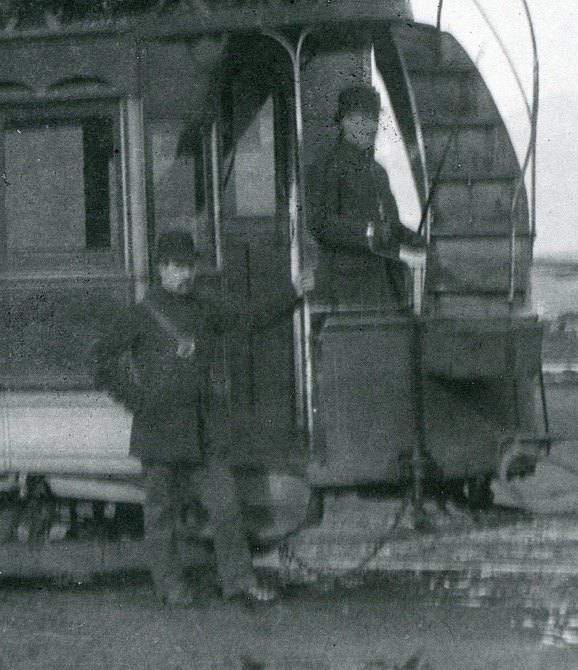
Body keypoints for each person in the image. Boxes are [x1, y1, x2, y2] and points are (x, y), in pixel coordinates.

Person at [90, 230, 309, 607]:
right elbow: (100, 360)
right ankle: (171, 587)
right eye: (176, 267)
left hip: (201, 433)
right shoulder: (142, 315)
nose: (185, 275)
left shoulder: (204, 309)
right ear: (161, 270)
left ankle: (238, 581)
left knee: (226, 507)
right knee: (161, 517)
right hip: (158, 431)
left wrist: (293, 292)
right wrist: (137, 402)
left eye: (189, 266)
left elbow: (249, 318)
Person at [306, 84, 425, 308]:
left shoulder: (378, 170)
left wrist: (415, 238)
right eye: (363, 118)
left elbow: (391, 225)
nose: (371, 127)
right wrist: (369, 231)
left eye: (373, 119)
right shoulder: (328, 166)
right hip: (346, 287)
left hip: (386, 283)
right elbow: (320, 224)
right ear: (344, 122)